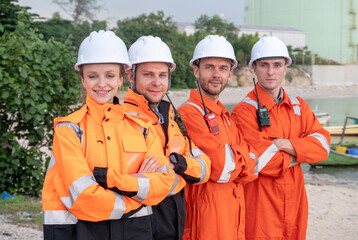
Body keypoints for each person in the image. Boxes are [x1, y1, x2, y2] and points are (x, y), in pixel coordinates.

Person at [42, 30, 181, 240]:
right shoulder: (69, 130)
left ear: (121, 78)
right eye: (92, 76)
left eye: (109, 75)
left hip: (137, 231)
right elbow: (84, 198)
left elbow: (164, 183)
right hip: (83, 232)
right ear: (82, 79)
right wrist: (138, 192)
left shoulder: (142, 126)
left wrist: (113, 183)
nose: (101, 84)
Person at [231, 36, 331, 240]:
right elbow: (262, 162)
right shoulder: (244, 112)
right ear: (254, 68)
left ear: (285, 67)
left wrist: (287, 145)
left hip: (295, 203)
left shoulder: (299, 106)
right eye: (264, 65)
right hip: (261, 206)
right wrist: (301, 154)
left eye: (277, 65)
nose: (270, 72)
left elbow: (322, 147)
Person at [125, 35, 211, 240]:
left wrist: (176, 163)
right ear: (131, 75)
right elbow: (153, 182)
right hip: (140, 224)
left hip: (174, 220)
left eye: (162, 75)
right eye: (148, 75)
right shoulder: (123, 118)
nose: (157, 82)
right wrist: (182, 169)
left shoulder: (170, 116)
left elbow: (205, 166)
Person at [177, 35, 258, 240]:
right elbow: (222, 167)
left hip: (232, 216)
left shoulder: (224, 115)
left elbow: (253, 166)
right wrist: (243, 159)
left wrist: (240, 160)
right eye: (209, 67)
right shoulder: (189, 114)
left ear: (230, 73)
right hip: (205, 222)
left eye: (223, 68)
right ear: (196, 70)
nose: (216, 74)